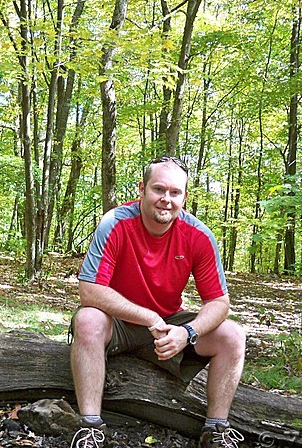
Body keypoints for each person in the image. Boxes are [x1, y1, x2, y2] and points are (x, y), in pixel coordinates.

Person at [68, 156, 246, 448]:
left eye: (175, 192)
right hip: (117, 324)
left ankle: (215, 431)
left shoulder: (199, 235)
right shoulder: (115, 222)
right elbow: (89, 290)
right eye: (158, 190)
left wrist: (187, 332)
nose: (166, 199)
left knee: (233, 335)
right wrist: (148, 317)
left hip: (167, 329)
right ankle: (90, 428)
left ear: (184, 197)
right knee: (88, 318)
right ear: (142, 189)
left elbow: (219, 302)